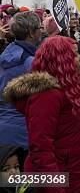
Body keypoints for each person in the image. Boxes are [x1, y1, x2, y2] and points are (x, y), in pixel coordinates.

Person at [2, 36, 80, 192]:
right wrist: (55, 188)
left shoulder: (66, 89)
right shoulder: (47, 95)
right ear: (61, 60)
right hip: (57, 178)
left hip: (71, 172)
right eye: (75, 55)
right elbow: (40, 149)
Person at [0, 11, 42, 148]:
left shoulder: (4, 54)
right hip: (25, 131)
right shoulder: (32, 63)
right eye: (40, 28)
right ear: (31, 32)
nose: (42, 31)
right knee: (27, 170)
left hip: (3, 127)